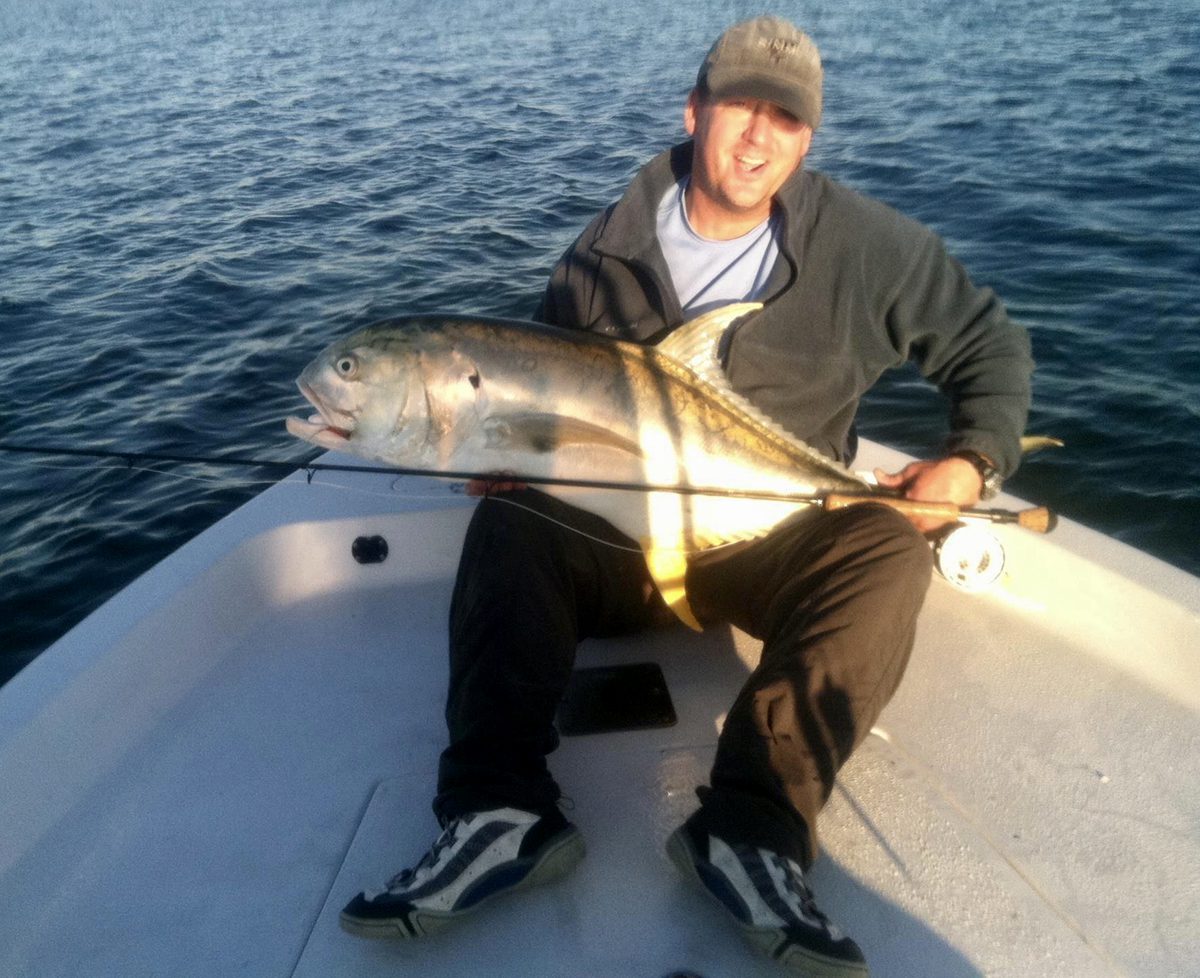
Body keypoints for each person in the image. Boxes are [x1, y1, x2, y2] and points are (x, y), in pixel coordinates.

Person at [339, 15, 1033, 976]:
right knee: (511, 518)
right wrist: (506, 460)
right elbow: (529, 420)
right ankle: (499, 815)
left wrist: (970, 464)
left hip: (770, 535)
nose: (757, 137)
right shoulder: (598, 257)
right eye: (739, 107)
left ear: (807, 138)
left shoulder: (868, 247)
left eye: (784, 120)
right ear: (694, 110)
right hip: (617, 542)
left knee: (882, 546)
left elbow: (988, 345)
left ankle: (750, 832)